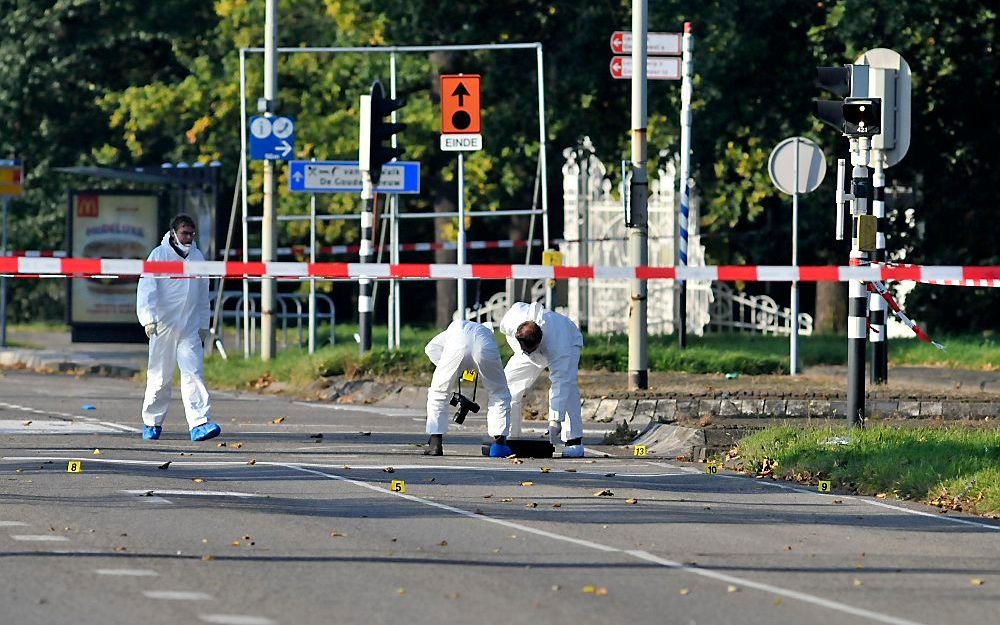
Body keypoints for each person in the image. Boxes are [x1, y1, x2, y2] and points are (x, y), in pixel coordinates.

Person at [136, 214, 220, 442]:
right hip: (162, 326)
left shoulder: (198, 257)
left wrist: (204, 323)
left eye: (192, 233)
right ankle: (152, 423)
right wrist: (148, 318)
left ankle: (199, 423)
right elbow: (147, 288)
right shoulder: (159, 255)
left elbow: (204, 294)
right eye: (184, 233)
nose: (189, 238)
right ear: (173, 232)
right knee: (160, 377)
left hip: (190, 327)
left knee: (194, 374)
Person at [500, 302, 585, 458]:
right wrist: (525, 351)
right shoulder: (512, 321)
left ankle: (574, 441)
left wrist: (555, 420)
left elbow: (561, 382)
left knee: (568, 388)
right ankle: (509, 435)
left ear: (539, 343)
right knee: (509, 383)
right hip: (525, 348)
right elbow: (507, 334)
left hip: (570, 342)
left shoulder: (558, 345)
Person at [424, 319, 512, 457]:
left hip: (456, 345)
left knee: (439, 391)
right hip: (484, 345)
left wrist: (452, 371)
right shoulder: (488, 333)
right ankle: (499, 445)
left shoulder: (452, 330)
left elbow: (430, 349)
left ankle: (435, 444)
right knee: (499, 392)